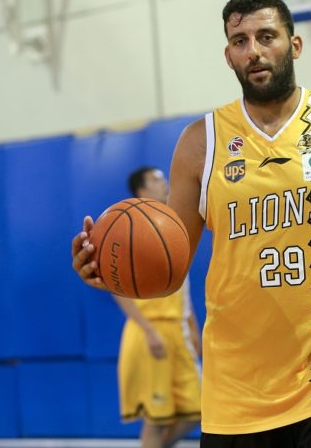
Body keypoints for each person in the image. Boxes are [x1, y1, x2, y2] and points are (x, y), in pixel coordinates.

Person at [73, 0, 311, 448]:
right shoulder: (200, 144)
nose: (254, 51)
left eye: (267, 36)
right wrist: (109, 271)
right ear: (228, 56)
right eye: (240, 41)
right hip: (236, 393)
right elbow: (168, 272)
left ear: (295, 44)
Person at [114, 167, 201, 448]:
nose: (163, 182)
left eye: (163, 177)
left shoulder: (173, 225)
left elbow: (182, 288)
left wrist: (193, 328)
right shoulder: (130, 229)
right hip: (151, 332)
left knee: (199, 409)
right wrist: (149, 330)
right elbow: (116, 287)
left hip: (178, 332)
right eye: (155, 179)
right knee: (157, 419)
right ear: (141, 191)